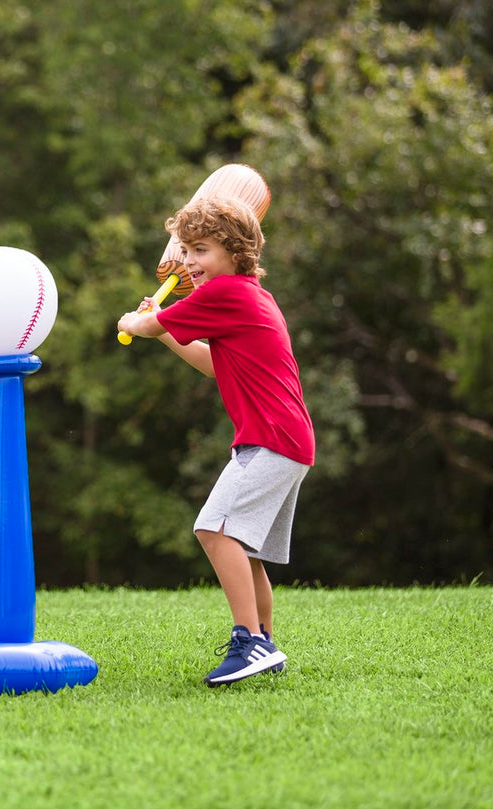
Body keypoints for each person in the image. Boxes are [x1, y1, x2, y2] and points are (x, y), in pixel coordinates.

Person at [116, 195, 315, 687]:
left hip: (271, 439)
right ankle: (264, 642)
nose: (188, 262)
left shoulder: (225, 295)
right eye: (184, 251)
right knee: (244, 550)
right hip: (284, 440)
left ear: (236, 252)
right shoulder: (248, 296)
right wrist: (162, 333)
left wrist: (137, 323)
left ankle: (249, 642)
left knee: (214, 530)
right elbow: (212, 364)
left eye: (200, 250)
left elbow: (144, 322)